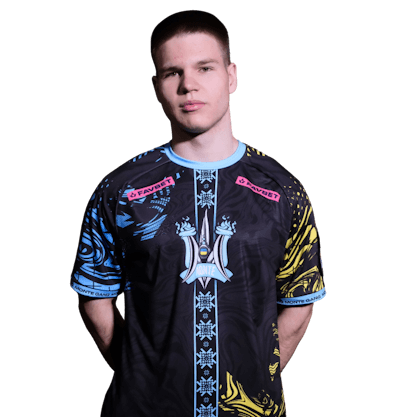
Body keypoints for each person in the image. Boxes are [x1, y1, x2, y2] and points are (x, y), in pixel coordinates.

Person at [70, 10, 326, 417]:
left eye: (204, 68)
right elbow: (94, 294)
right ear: (157, 86)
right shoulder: (121, 189)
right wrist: (138, 375)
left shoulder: (284, 190)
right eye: (172, 72)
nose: (188, 84)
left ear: (231, 76)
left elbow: (300, 298)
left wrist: (259, 378)